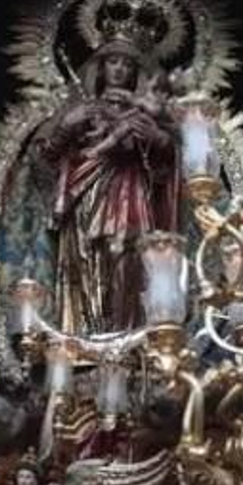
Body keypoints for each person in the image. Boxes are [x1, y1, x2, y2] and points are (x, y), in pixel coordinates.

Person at [39, 38, 178, 333]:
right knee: (88, 257)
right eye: (113, 61)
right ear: (101, 67)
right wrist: (67, 126)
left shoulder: (144, 112)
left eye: (127, 64)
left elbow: (171, 161)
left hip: (130, 191)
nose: (119, 69)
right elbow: (46, 157)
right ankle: (90, 335)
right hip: (85, 196)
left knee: (128, 255)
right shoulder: (80, 109)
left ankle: (128, 335)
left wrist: (158, 138)